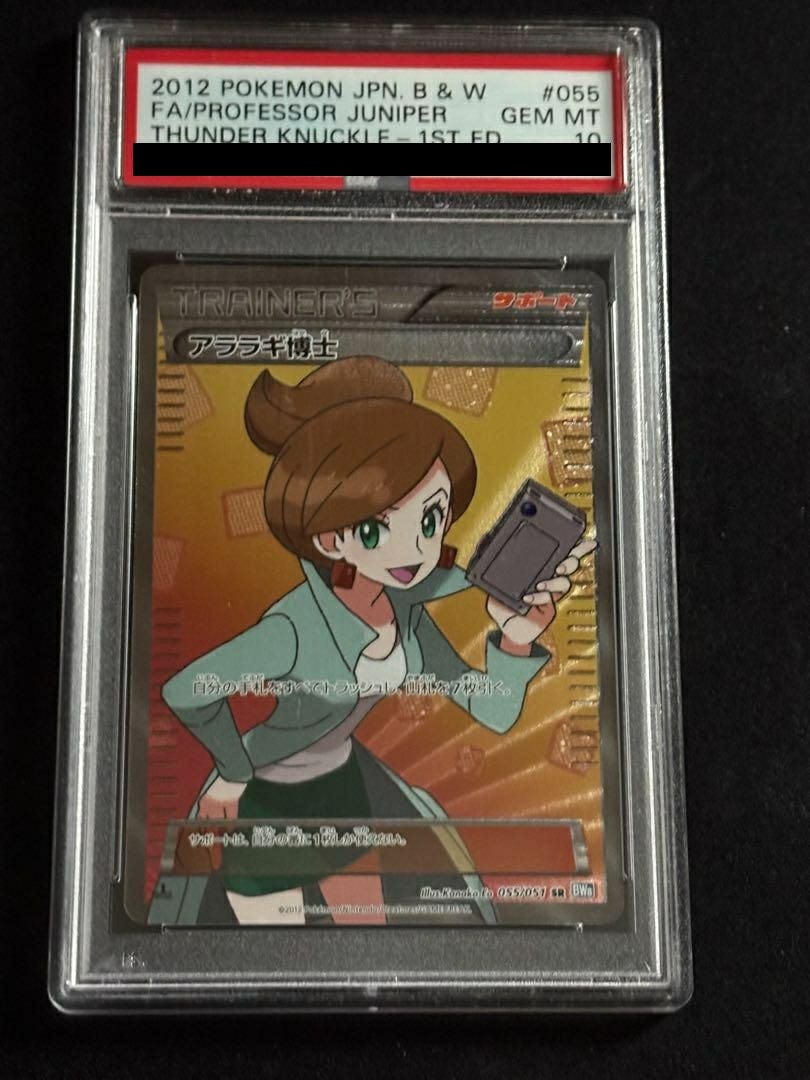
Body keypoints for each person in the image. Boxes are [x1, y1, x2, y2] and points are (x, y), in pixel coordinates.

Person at [161, 355, 595, 924]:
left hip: (344, 790)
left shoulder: (405, 613)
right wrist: (233, 771)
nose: (415, 549)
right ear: (329, 538)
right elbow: (187, 689)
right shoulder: (294, 629)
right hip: (266, 804)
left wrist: (514, 643)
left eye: (430, 521)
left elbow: (488, 710)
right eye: (373, 530)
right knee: (278, 954)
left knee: (369, 932)